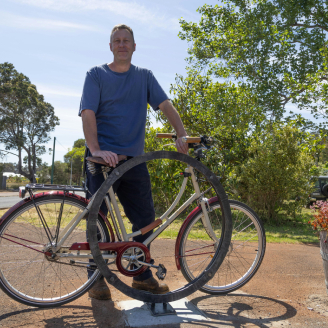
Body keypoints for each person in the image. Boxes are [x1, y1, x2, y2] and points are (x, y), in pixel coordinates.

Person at [79, 24, 189, 300]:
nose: (122, 44)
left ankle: (141, 275)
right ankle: (96, 277)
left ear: (134, 46)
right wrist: (96, 148)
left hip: (133, 160)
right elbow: (87, 112)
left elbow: (165, 105)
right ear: (110, 46)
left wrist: (182, 132)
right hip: (101, 159)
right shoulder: (96, 75)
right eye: (116, 40)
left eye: (126, 40)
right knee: (98, 219)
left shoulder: (144, 77)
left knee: (145, 220)